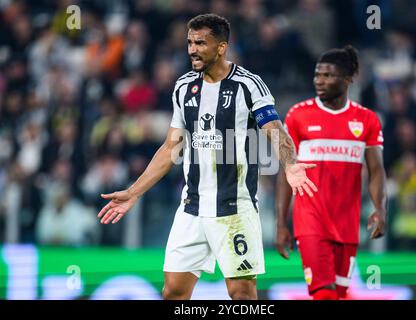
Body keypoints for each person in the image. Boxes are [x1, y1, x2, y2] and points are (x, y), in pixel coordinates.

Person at [97, 14, 317, 300]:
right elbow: (170, 148)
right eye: (189, 42)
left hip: (235, 208)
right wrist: (134, 192)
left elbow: (274, 129)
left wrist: (289, 163)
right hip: (192, 208)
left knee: (241, 293)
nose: (192, 50)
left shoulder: (249, 85)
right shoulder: (184, 87)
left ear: (221, 47)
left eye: (200, 43)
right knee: (173, 291)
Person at [276, 45, 387, 300]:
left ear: (348, 79)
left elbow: (376, 170)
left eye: (328, 75)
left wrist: (380, 208)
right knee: (323, 294)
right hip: (310, 220)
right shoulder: (298, 115)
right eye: (317, 75)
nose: (319, 81)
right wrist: (281, 223)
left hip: (347, 223)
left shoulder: (367, 120)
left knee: (338, 294)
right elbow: (286, 172)